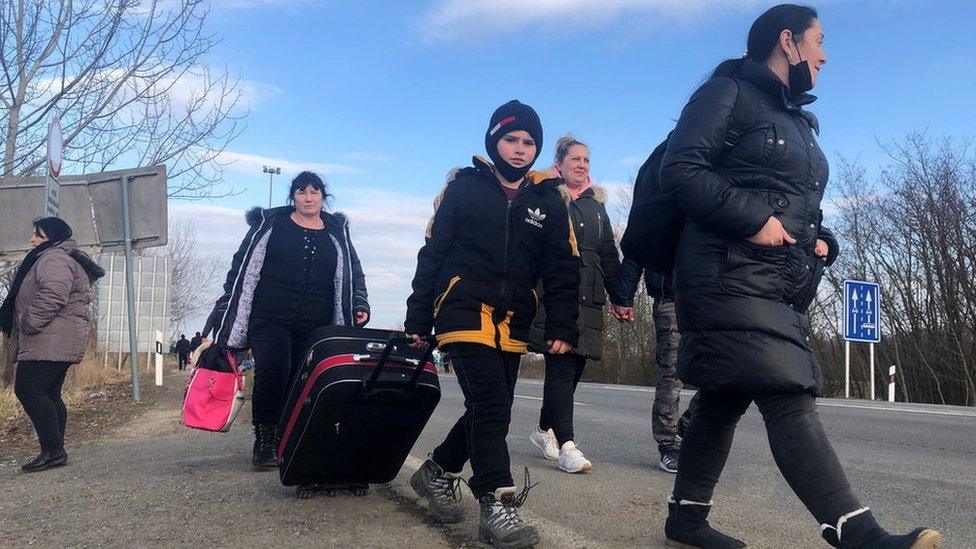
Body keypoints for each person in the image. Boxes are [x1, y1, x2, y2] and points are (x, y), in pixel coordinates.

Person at [659, 5, 942, 548]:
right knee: (785, 390)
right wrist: (753, 218)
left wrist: (822, 237)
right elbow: (682, 171)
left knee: (723, 395)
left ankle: (686, 520)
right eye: (819, 41)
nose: (825, 54)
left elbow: (794, 199)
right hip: (724, 271)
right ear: (787, 42)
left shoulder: (794, 118)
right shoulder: (726, 93)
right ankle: (856, 532)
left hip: (774, 278)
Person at [404, 100, 580, 548]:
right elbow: (433, 254)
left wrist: (563, 324)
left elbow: (562, 268)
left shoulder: (548, 199)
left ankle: (437, 471)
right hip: (462, 310)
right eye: (511, 139)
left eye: (528, 142)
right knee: (494, 407)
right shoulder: (463, 188)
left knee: (487, 407)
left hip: (513, 321)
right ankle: (495, 502)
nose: (520, 149)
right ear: (493, 141)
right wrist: (418, 314)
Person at [202, 171, 370, 470]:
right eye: (302, 191)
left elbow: (354, 271)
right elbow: (240, 268)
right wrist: (228, 303)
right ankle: (265, 441)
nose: (308, 197)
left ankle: (288, 436)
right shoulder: (271, 224)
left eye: (315, 192)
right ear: (293, 196)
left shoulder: (336, 230)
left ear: (323, 197)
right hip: (269, 318)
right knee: (274, 371)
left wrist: (359, 302)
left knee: (301, 379)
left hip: (317, 324)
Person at [526, 134, 632, 474]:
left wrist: (621, 298)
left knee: (573, 371)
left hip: (590, 297)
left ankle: (544, 431)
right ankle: (568, 445)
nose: (582, 165)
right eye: (575, 159)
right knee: (560, 364)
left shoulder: (595, 206)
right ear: (559, 163)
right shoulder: (544, 197)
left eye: (586, 160)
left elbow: (607, 256)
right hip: (555, 295)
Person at [0, 218, 104, 473]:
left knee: (29, 389)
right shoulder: (56, 257)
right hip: (56, 337)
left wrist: (28, 322)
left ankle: (53, 450)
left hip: (50, 337)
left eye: (38, 235)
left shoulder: (53, 259)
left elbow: (54, 294)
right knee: (48, 393)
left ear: (53, 238)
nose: (32, 239)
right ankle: (54, 449)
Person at [617, 261, 698, 474]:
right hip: (671, 298)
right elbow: (637, 247)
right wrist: (624, 297)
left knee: (726, 369)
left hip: (713, 297)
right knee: (672, 372)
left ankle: (686, 427)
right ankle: (669, 445)